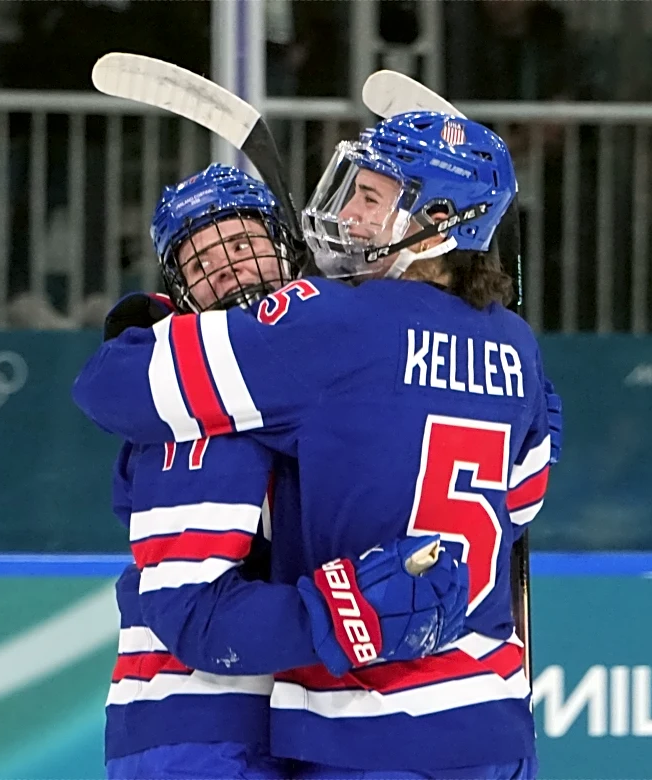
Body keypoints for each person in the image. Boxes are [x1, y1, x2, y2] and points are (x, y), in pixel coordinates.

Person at [73, 112, 554, 778]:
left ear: (437, 219)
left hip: (368, 728)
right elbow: (522, 501)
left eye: (369, 196)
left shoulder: (328, 321)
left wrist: (151, 329)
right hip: (494, 723)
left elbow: (108, 387)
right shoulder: (516, 348)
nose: (347, 211)